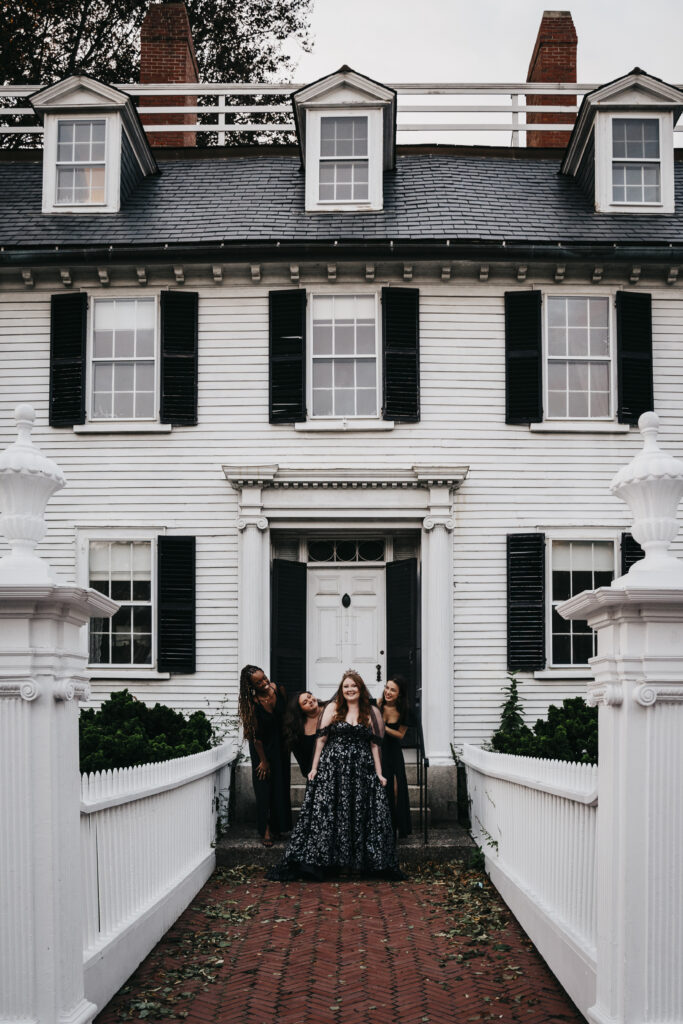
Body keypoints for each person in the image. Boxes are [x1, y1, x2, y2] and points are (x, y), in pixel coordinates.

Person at [267, 670, 403, 880]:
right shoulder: (332, 708)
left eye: (353, 686)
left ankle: (357, 864)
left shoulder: (371, 711)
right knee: (335, 815)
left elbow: (375, 745)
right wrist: (314, 768)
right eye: (346, 686)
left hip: (361, 769)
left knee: (357, 815)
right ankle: (333, 863)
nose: (350, 690)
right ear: (342, 689)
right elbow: (321, 741)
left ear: (360, 689)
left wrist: (379, 773)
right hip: (334, 768)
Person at [237, 664, 291, 847]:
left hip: (280, 745)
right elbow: (255, 737)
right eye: (258, 682)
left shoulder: (278, 689)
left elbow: (287, 715)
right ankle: (265, 828)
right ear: (251, 686)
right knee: (264, 786)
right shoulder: (252, 704)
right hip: (263, 748)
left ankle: (278, 827)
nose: (264, 683)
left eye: (264, 678)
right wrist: (264, 761)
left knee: (280, 784)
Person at [379, 675, 412, 838]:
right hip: (378, 751)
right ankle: (386, 828)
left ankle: (400, 826)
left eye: (393, 690)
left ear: (399, 694)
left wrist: (382, 727)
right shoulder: (377, 705)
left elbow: (400, 734)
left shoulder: (404, 710)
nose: (388, 692)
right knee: (384, 789)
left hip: (394, 752)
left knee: (397, 789)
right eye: (387, 687)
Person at [283, 691, 321, 777]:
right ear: (300, 710)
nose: (310, 700)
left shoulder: (329, 710)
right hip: (314, 772)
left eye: (309, 696)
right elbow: (302, 758)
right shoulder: (297, 728)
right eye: (305, 702)